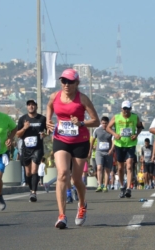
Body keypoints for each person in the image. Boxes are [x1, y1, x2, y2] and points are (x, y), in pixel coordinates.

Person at [46, 68, 100, 229]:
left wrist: (81, 123)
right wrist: (48, 120)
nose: (66, 84)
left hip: (80, 141)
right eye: (63, 81)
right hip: (61, 139)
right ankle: (62, 215)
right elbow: (49, 107)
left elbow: (96, 121)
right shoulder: (54, 96)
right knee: (62, 174)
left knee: (76, 179)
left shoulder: (82, 99)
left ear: (77, 83)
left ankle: (82, 204)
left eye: (70, 81)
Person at [106, 100, 143, 198]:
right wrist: (114, 134)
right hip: (119, 144)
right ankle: (122, 186)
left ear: (131, 109)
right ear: (121, 109)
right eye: (124, 108)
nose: (126, 110)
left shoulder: (135, 117)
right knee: (121, 168)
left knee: (130, 166)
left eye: (128, 108)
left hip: (130, 144)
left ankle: (128, 188)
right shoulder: (116, 117)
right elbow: (108, 127)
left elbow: (140, 127)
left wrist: (136, 134)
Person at [16, 99, 47, 202]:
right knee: (28, 172)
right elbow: (18, 134)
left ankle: (34, 192)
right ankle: (31, 189)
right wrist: (24, 128)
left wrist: (45, 134)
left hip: (37, 148)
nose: (31, 106)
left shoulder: (42, 119)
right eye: (29, 105)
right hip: (26, 148)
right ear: (27, 107)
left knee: (34, 170)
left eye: (33, 105)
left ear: (36, 106)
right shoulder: (22, 119)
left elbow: (49, 131)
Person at [89, 116, 114, 192]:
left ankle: (105, 186)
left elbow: (114, 142)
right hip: (99, 152)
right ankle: (99, 185)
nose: (104, 125)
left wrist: (111, 150)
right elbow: (92, 140)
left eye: (106, 123)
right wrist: (90, 150)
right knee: (99, 168)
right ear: (101, 123)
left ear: (108, 123)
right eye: (103, 123)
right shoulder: (97, 130)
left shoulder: (111, 131)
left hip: (108, 152)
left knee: (107, 169)